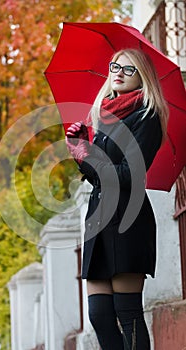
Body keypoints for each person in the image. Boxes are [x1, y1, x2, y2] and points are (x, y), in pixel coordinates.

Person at [65, 49, 168, 350]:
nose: (119, 72)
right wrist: (80, 150)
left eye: (129, 69)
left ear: (142, 77)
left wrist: (90, 155)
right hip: (99, 219)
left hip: (127, 218)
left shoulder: (147, 115)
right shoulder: (106, 118)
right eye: (115, 66)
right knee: (98, 316)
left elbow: (130, 175)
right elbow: (99, 176)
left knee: (127, 314)